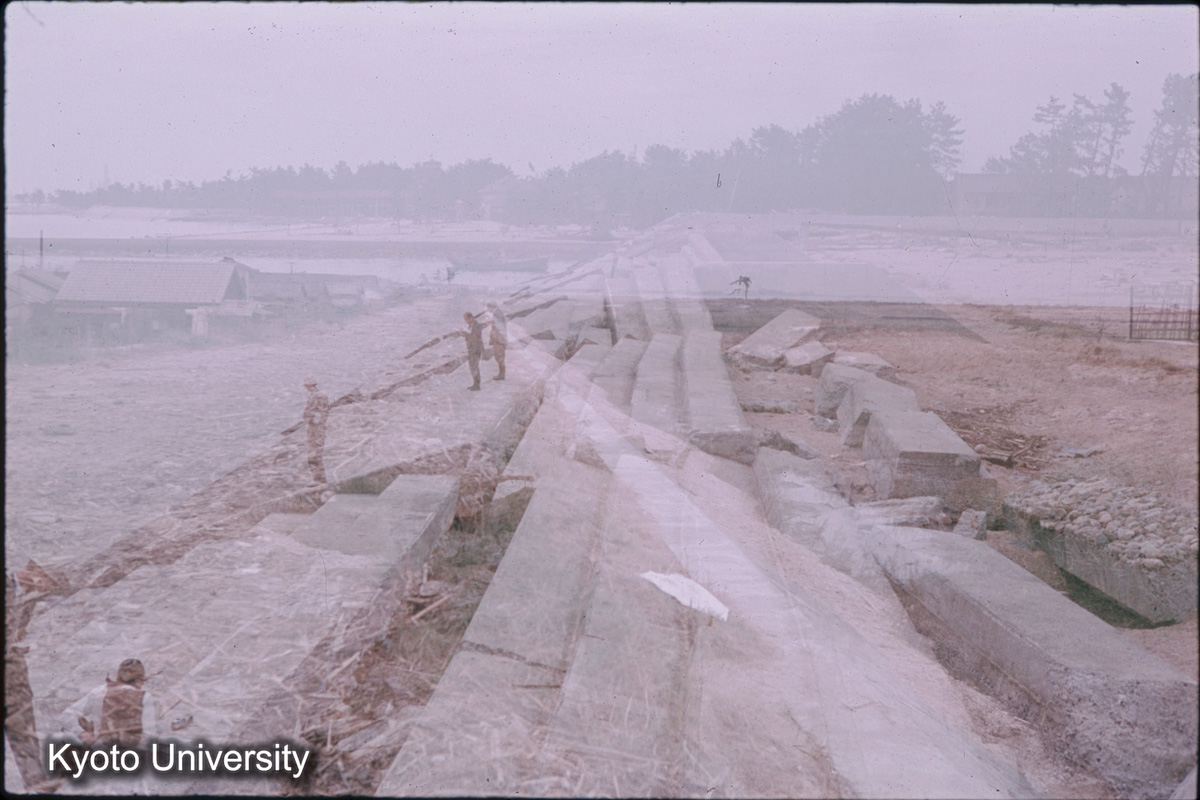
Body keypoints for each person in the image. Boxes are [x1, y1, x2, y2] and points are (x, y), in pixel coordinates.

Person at [58, 658, 158, 749]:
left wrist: (82, 733)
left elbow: (66, 716)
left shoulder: (100, 692)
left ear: (118, 676)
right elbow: (149, 736)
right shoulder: (145, 697)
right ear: (141, 680)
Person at [303, 377, 329, 483]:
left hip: (315, 429)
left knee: (314, 454)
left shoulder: (315, 397)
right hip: (319, 428)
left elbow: (315, 414)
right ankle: (320, 479)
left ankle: (317, 480)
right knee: (317, 453)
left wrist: (309, 420)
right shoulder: (321, 395)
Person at [458, 312, 485, 391]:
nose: (466, 321)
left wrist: (464, 333)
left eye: (466, 319)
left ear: (471, 318)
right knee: (473, 367)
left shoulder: (476, 325)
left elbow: (473, 337)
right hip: (473, 349)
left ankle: (477, 385)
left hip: (475, 350)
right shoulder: (472, 325)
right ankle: (475, 384)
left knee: (474, 367)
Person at [485, 302, 507, 381]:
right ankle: (501, 374)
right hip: (498, 339)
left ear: (491, 307)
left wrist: (493, 337)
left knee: (499, 357)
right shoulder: (497, 313)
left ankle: (502, 375)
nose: (488, 310)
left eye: (488, 308)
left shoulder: (498, 314)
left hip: (499, 340)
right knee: (499, 357)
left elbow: (498, 328)